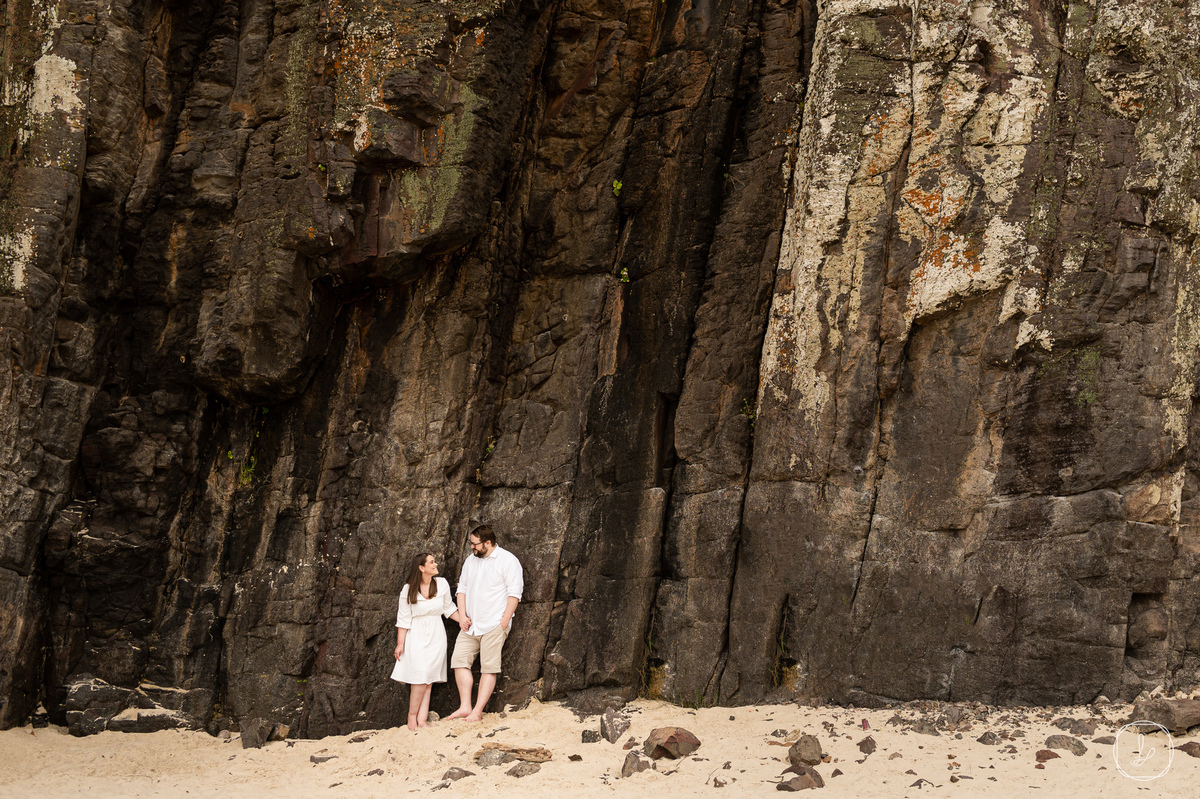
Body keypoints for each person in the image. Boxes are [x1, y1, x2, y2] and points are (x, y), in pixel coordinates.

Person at [446, 525, 523, 722]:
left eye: (474, 544)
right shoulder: (471, 560)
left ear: (487, 543)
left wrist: (504, 621)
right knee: (459, 662)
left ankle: (477, 712)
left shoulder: (508, 561)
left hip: (494, 624)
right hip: (470, 624)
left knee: (489, 667)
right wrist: (462, 616)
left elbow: (514, 593)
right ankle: (465, 707)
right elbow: (461, 589)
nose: (471, 547)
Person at [391, 552, 466, 730]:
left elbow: (449, 608)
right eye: (431, 562)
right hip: (415, 635)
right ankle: (411, 717)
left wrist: (463, 620)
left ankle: (422, 720)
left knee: (429, 679)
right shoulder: (408, 589)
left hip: (436, 635)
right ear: (421, 568)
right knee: (420, 677)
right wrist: (400, 643)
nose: (435, 564)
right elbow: (403, 618)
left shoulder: (441, 584)